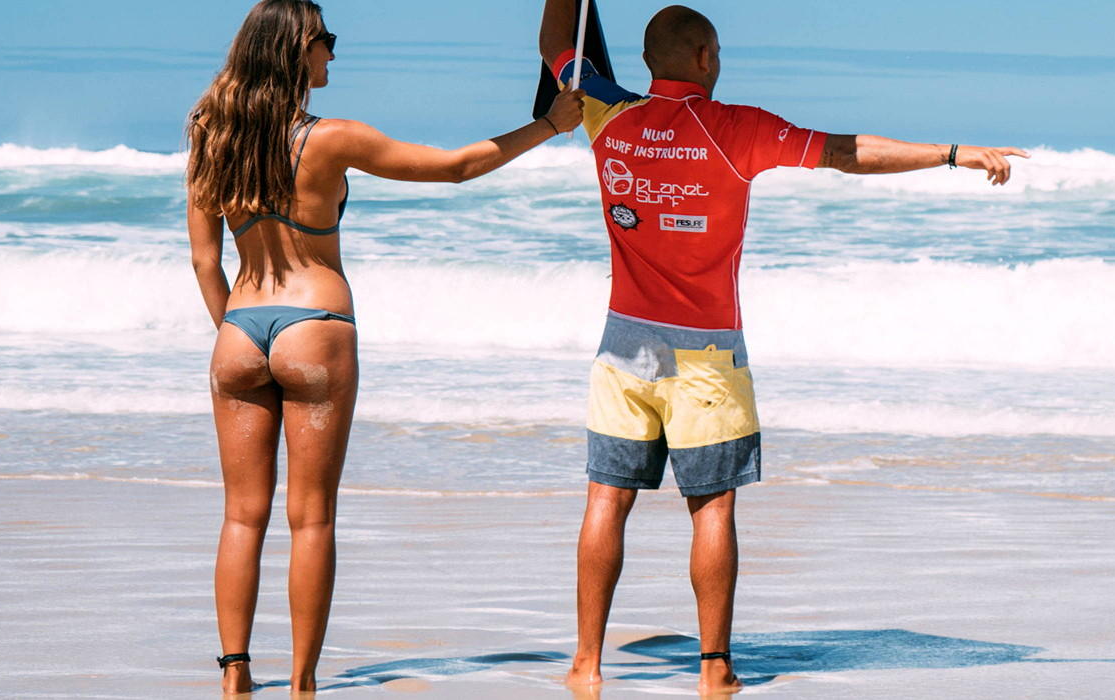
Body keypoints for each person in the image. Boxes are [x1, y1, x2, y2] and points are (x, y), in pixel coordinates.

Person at [538, 1, 1026, 692]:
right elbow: (846, 153)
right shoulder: (738, 128)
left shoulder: (603, 110)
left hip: (622, 348)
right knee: (712, 509)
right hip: (707, 358)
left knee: (605, 502)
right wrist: (952, 153)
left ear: (647, 61)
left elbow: (556, 41)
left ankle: (585, 664)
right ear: (706, 57)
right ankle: (714, 673)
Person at [185, 1, 583, 693]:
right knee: (312, 518)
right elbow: (454, 167)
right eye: (326, 39)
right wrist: (550, 125)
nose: (333, 53)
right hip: (315, 326)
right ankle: (303, 683)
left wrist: (236, 333)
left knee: (242, 516)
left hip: (239, 334)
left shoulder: (210, 133)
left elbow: (203, 260)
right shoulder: (332, 139)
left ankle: (234, 675)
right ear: (297, 50)